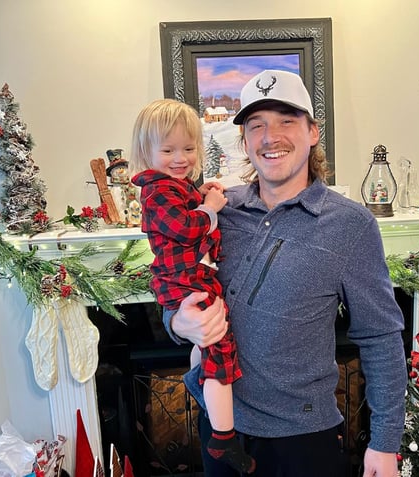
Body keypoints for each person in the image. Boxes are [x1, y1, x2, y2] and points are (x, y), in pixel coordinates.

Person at [163, 70, 406, 477]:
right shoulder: (217, 210)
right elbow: (174, 285)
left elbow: (380, 337)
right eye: (256, 126)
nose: (270, 137)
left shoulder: (351, 225)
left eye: (286, 121)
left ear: (312, 132)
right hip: (221, 429)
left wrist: (385, 443)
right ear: (244, 142)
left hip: (304, 440)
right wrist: (177, 322)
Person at [129, 99, 256, 474]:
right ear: (145, 152)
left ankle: (202, 390)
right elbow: (186, 228)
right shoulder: (157, 191)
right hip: (186, 284)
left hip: (189, 281)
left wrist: (204, 196)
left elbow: (187, 212)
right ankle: (222, 439)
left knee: (208, 346)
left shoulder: (174, 188)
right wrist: (211, 207)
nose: (180, 158)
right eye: (168, 150)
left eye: (188, 148)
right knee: (220, 351)